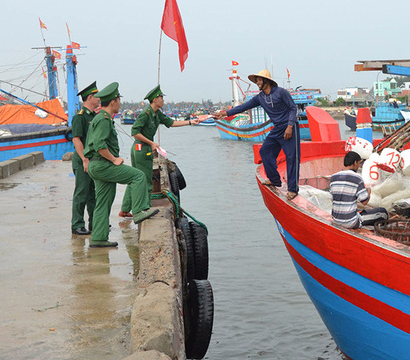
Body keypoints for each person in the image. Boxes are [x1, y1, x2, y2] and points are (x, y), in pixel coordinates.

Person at [84, 83, 158, 248]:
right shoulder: (103, 119)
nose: (119, 103)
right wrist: (113, 159)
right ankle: (139, 211)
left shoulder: (102, 118)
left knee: (104, 201)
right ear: (113, 102)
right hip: (103, 164)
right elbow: (99, 145)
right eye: (118, 100)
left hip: (97, 166)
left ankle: (98, 238)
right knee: (138, 176)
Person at [214, 69, 301, 200]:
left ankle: (293, 189)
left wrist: (289, 126)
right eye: (256, 81)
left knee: (291, 158)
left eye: (259, 80)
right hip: (277, 128)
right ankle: (275, 180)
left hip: (290, 127)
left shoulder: (281, 92)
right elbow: (243, 107)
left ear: (267, 81)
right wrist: (225, 113)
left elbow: (293, 108)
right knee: (265, 151)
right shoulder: (260, 98)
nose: (257, 83)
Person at [120, 85, 197, 217]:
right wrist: (151, 143)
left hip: (144, 148)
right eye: (161, 98)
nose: (163, 100)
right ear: (155, 99)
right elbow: (135, 132)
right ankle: (145, 207)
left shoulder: (157, 114)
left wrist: (190, 122)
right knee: (145, 179)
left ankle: (125, 210)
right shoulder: (145, 114)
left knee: (134, 178)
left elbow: (171, 123)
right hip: (141, 149)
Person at [70, 81, 100, 235]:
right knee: (82, 192)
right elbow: (77, 140)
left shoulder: (95, 116)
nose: (99, 98)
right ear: (90, 97)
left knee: (92, 193)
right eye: (97, 96)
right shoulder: (80, 117)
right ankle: (77, 224)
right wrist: (84, 160)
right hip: (83, 160)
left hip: (92, 160)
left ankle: (95, 223)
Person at [329, 151, 388, 229]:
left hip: (336, 219)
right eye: (359, 164)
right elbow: (364, 202)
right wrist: (368, 192)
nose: (359, 167)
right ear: (355, 162)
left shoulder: (333, 177)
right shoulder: (357, 178)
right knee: (383, 212)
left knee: (358, 210)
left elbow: (332, 198)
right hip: (350, 222)